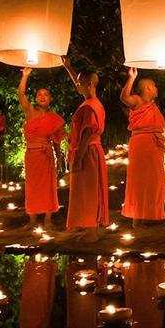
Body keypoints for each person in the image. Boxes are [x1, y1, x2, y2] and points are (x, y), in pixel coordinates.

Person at [61, 57, 109, 241]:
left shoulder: (89, 107)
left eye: (80, 83)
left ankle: (91, 232)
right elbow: (79, 83)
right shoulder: (93, 102)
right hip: (90, 150)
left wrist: (79, 158)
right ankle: (86, 224)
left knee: (88, 190)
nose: (77, 85)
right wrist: (68, 67)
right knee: (83, 189)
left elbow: (87, 134)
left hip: (87, 152)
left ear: (89, 84)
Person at [18, 68, 66, 230]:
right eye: (39, 94)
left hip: (46, 156)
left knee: (48, 186)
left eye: (45, 94)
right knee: (31, 186)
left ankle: (47, 219)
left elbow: (57, 141)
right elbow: (21, 95)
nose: (42, 96)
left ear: (50, 99)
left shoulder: (54, 118)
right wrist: (25, 76)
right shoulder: (30, 112)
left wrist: (59, 157)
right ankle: (32, 219)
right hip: (31, 155)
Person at [120, 67, 165, 227]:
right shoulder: (138, 101)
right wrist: (132, 77)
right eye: (154, 86)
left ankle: (150, 215)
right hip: (142, 145)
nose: (156, 88)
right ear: (147, 87)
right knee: (139, 180)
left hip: (154, 145)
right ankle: (136, 218)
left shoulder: (152, 105)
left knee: (153, 180)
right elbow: (124, 97)